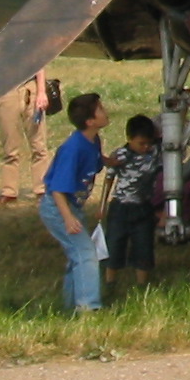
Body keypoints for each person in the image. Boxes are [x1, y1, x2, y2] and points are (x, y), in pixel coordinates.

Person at [40, 93, 109, 313]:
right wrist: (68, 219)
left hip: (72, 206)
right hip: (58, 206)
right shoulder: (73, 148)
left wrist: (111, 161)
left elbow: (97, 160)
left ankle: (70, 307)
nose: (105, 111)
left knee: (76, 256)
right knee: (86, 253)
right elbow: (58, 189)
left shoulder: (93, 140)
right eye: (100, 109)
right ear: (90, 121)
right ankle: (89, 307)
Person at [0, 30, 48, 204]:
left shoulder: (28, 32)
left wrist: (41, 92)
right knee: (10, 145)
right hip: (6, 89)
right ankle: (9, 190)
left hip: (30, 88)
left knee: (38, 144)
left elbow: (39, 61)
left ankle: (41, 188)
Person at [100, 114, 159, 289]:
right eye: (141, 143)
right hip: (121, 206)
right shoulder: (120, 155)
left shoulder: (155, 154)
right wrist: (102, 204)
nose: (145, 147)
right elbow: (109, 179)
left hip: (143, 206)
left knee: (144, 244)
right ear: (130, 139)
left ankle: (142, 283)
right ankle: (110, 282)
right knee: (114, 243)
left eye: (148, 143)